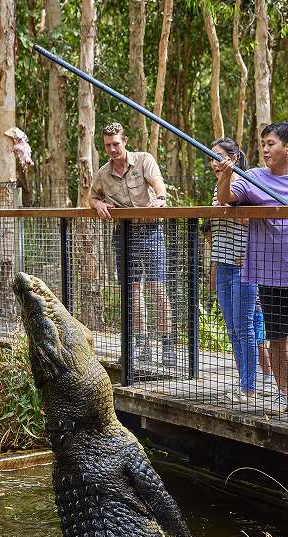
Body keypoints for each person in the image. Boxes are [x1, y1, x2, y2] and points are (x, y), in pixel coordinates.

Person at [216, 121, 288, 415]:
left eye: (271, 144)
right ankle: (283, 394)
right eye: (263, 144)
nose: (265, 149)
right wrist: (226, 177)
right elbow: (226, 198)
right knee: (277, 337)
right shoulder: (253, 177)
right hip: (269, 274)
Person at [89, 122, 176, 367]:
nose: (112, 149)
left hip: (151, 230)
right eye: (107, 145)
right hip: (124, 233)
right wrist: (98, 205)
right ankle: (141, 343)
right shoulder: (104, 173)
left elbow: (158, 182)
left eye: (116, 144)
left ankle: (167, 344)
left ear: (125, 141)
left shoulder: (143, 159)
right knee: (133, 289)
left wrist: (160, 198)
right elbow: (92, 195)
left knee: (157, 287)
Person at [206, 137, 277, 402]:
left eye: (218, 157)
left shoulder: (247, 183)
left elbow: (254, 221)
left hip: (243, 267)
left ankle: (249, 386)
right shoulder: (218, 187)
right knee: (233, 328)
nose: (214, 163)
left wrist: (248, 257)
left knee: (245, 327)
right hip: (223, 264)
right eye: (210, 158)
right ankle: (243, 382)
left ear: (233, 158)